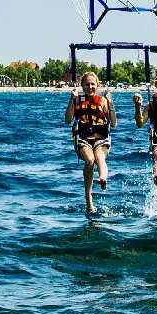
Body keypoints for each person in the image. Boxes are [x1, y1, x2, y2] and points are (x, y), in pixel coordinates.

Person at [65, 71, 115, 215]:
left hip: (100, 136)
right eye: (87, 84)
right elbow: (68, 120)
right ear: (82, 86)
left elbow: (114, 123)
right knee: (90, 160)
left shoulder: (102, 101)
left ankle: (103, 177)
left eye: (93, 84)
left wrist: (110, 103)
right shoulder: (77, 100)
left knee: (100, 157)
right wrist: (72, 99)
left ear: (97, 85)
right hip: (83, 137)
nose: (90, 87)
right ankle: (89, 200)